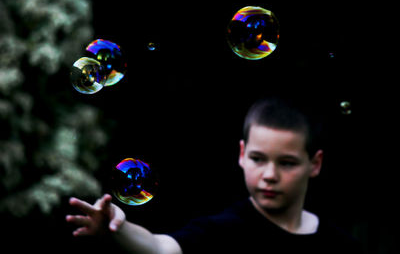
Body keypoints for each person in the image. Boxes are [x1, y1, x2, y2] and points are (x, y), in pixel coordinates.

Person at [66, 97, 363, 254]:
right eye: (258, 159)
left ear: (315, 163)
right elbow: (161, 247)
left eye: (287, 163)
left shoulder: (340, 246)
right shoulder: (224, 232)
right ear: (242, 154)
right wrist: (119, 229)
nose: (270, 175)